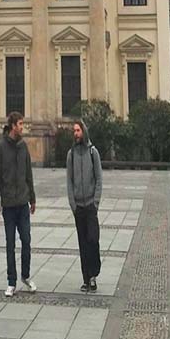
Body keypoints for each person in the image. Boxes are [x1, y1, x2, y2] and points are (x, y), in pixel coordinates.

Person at [0, 111, 37, 298]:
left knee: (26, 240)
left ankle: (25, 276)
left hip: (23, 203)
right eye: (19, 124)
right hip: (9, 204)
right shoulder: (0, 147)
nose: (22, 127)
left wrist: (32, 198)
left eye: (23, 124)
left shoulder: (23, 146)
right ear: (11, 126)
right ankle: (11, 281)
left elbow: (29, 174)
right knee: (10, 244)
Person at [66, 119, 103, 292]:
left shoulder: (93, 152)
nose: (76, 134)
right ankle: (86, 278)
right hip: (78, 207)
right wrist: (72, 204)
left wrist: (95, 202)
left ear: (84, 132)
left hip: (90, 205)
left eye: (78, 130)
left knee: (93, 240)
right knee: (82, 243)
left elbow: (99, 179)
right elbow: (69, 181)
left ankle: (94, 274)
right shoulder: (71, 154)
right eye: (74, 131)